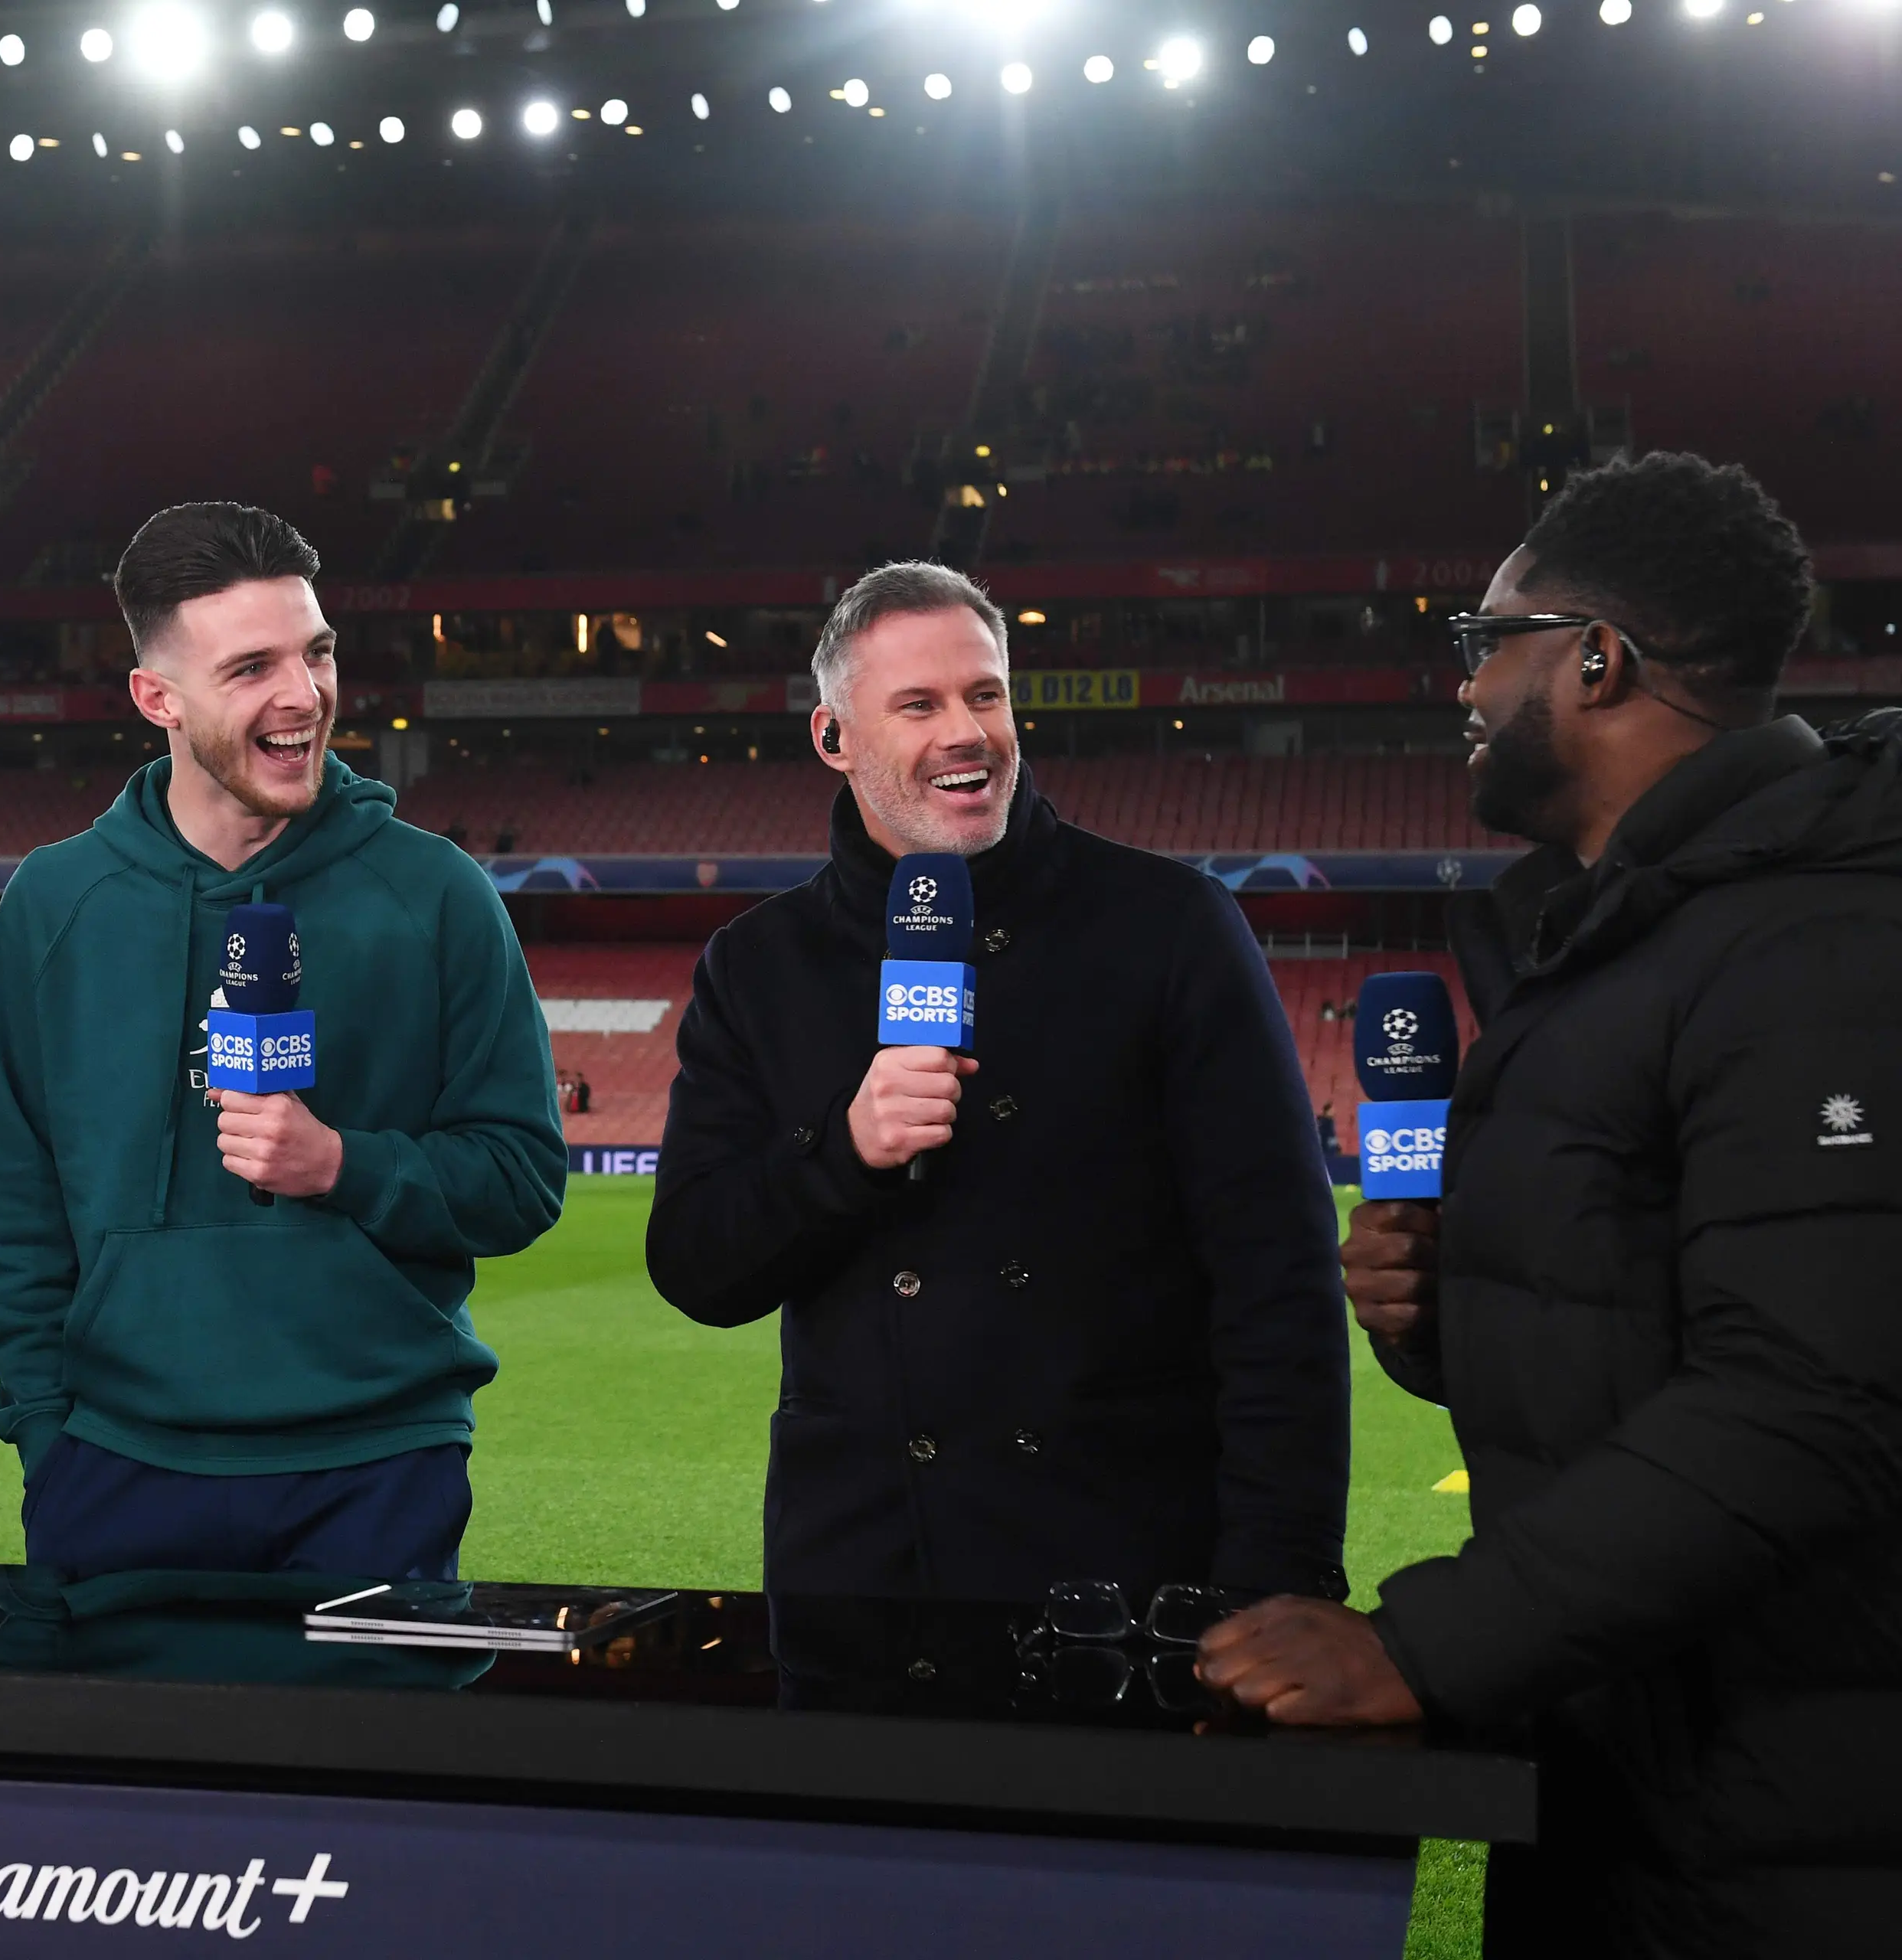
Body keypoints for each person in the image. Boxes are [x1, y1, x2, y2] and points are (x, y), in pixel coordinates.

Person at [1197, 455, 1902, 1955]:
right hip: (1625, 1766)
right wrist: (1441, 1312)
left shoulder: (1822, 939)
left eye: (1486, 638)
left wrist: (1421, 1645)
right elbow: (1636, 1333)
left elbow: (1812, 1398)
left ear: (1598, 659)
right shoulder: (1618, 935)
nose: (1462, 686)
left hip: (1788, 1827)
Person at [646, 560, 1348, 1602]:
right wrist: (847, 1155)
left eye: (985, 694)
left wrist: (1282, 1580)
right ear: (835, 738)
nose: (966, 732)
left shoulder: (1172, 928)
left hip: (1125, 1572)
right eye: (918, 704)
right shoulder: (759, 966)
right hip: (863, 1580)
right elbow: (698, 1266)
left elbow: (1279, 1285)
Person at [0, 502, 564, 1581]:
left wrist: (342, 1164)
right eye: (252, 668)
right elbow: (17, 1215)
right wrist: (49, 1442)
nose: (305, 695)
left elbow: (522, 1181)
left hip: (376, 1468)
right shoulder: (55, 905)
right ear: (158, 697)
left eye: (319, 651)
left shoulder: (437, 896)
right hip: (109, 1468)